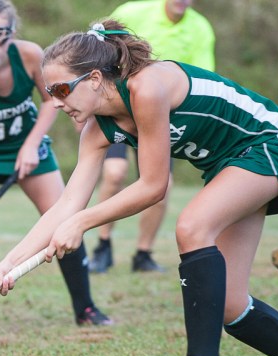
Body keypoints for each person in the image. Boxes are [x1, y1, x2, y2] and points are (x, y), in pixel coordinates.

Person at [0, 19, 278, 356]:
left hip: (267, 143)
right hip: (226, 165)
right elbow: (66, 204)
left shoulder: (147, 87)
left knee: (192, 226)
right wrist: (8, 263)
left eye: (63, 89)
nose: (57, 102)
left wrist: (82, 222)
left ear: (95, 78)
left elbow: (153, 186)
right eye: (49, 93)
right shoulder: (97, 130)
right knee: (231, 304)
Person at [0, 0, 111, 329]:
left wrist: (30, 145)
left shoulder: (29, 56)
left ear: (11, 34)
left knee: (63, 219)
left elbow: (52, 101)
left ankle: (85, 309)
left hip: (26, 146)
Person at [89, 0, 216, 274]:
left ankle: (143, 253)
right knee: (114, 172)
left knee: (162, 186)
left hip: (159, 114)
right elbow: (99, 52)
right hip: (120, 109)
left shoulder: (200, 28)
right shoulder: (132, 12)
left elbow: (204, 77)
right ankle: (103, 245)